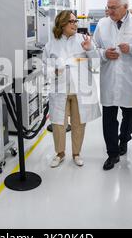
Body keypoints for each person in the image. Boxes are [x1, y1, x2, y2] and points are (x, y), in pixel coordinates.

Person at [93, 0, 132, 170]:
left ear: (125, 6)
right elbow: (94, 47)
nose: (109, 11)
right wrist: (103, 54)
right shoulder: (102, 24)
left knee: (129, 115)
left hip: (130, 79)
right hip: (109, 78)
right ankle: (112, 153)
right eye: (108, 7)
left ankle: (124, 140)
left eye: (113, 8)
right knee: (109, 117)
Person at [43, 10, 101, 168]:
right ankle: (60, 153)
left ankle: (76, 153)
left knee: (78, 124)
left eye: (76, 21)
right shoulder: (52, 43)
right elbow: (44, 66)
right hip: (60, 89)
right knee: (58, 124)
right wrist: (54, 71)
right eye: (72, 21)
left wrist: (90, 49)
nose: (76, 24)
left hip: (80, 91)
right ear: (62, 24)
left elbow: (95, 65)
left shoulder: (84, 39)